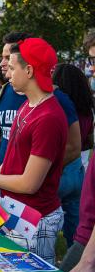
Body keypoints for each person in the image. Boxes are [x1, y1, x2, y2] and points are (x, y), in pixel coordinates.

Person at [0, 38, 67, 264]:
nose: (7, 74)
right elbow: (12, 160)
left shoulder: (48, 118)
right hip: (13, 210)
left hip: (36, 218)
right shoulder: (27, 106)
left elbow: (29, 183)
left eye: (13, 67)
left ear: (29, 70)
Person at [0, 32, 80, 177]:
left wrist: (38, 170)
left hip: (30, 188)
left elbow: (74, 147)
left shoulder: (55, 100)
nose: (2, 63)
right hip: (0, 180)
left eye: (8, 58)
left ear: (28, 65)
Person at [61, 31, 95, 272]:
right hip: (79, 176)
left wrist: (88, 261)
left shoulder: (60, 108)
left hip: (88, 242)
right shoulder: (84, 110)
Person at [52, 63, 94, 246]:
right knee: (76, 231)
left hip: (59, 169)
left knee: (46, 225)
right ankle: (73, 263)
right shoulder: (87, 112)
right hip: (78, 171)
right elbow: (88, 141)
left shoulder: (58, 108)